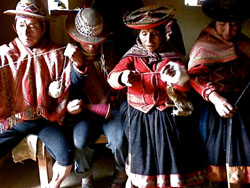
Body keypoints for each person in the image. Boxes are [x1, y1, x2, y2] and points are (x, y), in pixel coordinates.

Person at [107, 4, 205, 188]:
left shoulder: (172, 57)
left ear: (163, 34)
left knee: (172, 146)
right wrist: (121, 77)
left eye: (154, 33)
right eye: (144, 34)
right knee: (143, 155)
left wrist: (179, 77)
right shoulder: (132, 57)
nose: (149, 39)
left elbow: (184, 89)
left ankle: (167, 182)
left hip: (165, 111)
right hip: (138, 114)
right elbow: (112, 78)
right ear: (138, 36)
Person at [0, 0, 86, 188]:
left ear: (43, 27)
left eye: (32, 26)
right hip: (14, 120)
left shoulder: (58, 53)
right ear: (15, 27)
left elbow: (74, 83)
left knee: (66, 157)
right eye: (21, 25)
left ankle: (53, 185)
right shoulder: (5, 54)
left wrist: (78, 63)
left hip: (46, 118)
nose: (25, 31)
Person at [188, 0, 250, 187]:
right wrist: (216, 99)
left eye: (233, 25)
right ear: (214, 23)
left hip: (242, 102)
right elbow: (195, 77)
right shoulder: (204, 45)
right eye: (222, 25)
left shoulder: (245, 43)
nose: (227, 31)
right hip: (214, 104)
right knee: (215, 148)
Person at [65, 7, 127, 188]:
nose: (91, 45)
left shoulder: (111, 52)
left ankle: (121, 172)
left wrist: (116, 98)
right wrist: (71, 106)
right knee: (79, 140)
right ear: (76, 37)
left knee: (120, 138)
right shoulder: (68, 55)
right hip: (84, 113)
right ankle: (86, 175)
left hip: (111, 110)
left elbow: (119, 83)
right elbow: (68, 91)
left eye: (95, 41)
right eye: (86, 41)